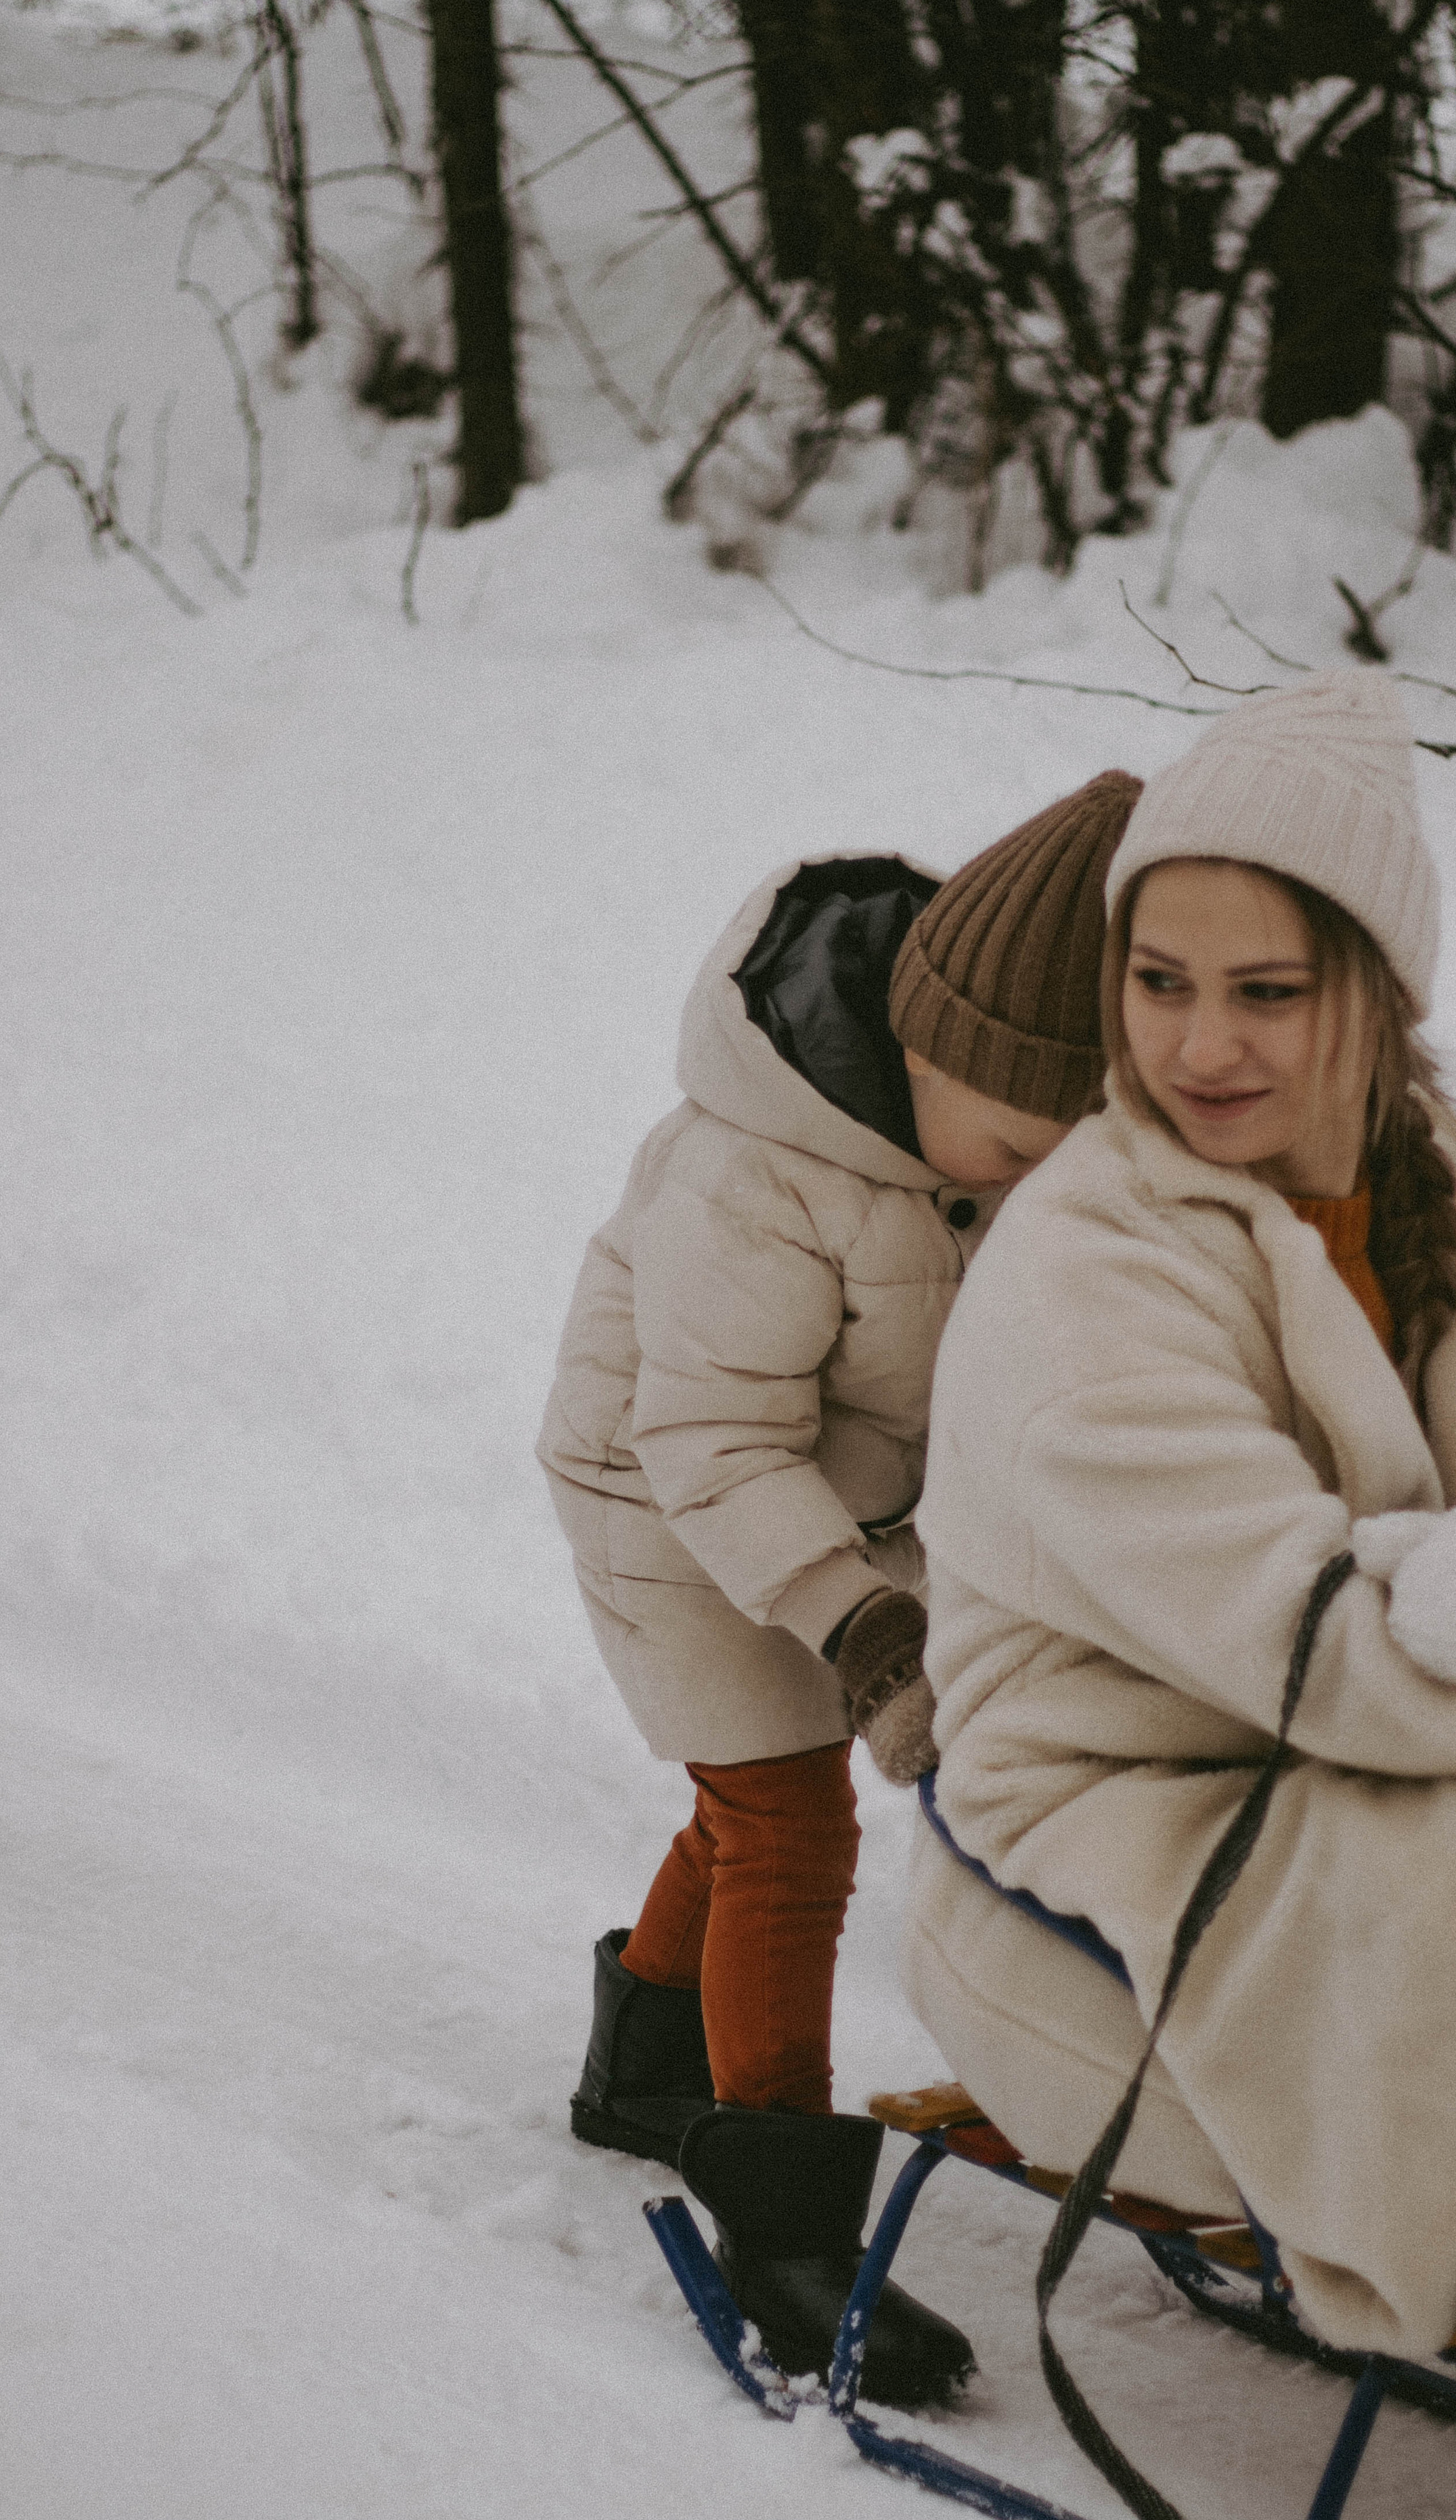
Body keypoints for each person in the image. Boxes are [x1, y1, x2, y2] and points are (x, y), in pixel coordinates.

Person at [902, 668, 1456, 2366]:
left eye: (1264, 992)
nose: (1198, 1047)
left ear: (1374, 993)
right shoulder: (1087, 1272)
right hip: (1138, 1833)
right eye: (1157, 983)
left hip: (1417, 1775)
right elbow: (1322, 1645)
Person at [537, 768, 1141, 2406]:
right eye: (1018, 1142)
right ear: (913, 1049)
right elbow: (716, 1442)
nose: (1033, 1176)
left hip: (837, 1483)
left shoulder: (988, 1155)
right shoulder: (758, 1173)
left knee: (745, 1809)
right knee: (791, 1821)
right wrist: (867, 1631)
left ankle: (643, 2066)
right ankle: (785, 2232)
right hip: (667, 1491)